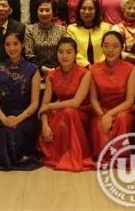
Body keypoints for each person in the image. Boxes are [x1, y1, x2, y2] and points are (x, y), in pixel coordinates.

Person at [0, 31, 42, 171]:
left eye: (15, 44)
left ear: (22, 45)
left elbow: (35, 103)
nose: (12, 48)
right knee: (0, 131)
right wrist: (4, 119)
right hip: (3, 115)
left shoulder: (33, 70)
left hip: (25, 116)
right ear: (4, 46)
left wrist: (18, 119)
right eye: (8, 44)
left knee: (16, 132)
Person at [38, 38, 94, 171]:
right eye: (61, 52)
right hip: (60, 111)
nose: (64, 56)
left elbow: (76, 102)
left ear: (75, 54)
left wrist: (50, 106)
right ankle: (60, 154)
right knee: (63, 114)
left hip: (81, 112)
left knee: (69, 112)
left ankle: (75, 154)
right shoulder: (52, 75)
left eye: (69, 52)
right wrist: (44, 125)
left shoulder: (85, 74)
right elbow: (44, 104)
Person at [89, 32, 135, 161]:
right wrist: (102, 115)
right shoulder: (94, 69)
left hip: (125, 110)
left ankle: (122, 157)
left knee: (122, 119)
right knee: (100, 127)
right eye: (106, 46)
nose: (110, 50)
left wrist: (110, 114)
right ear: (102, 47)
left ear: (122, 48)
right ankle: (105, 157)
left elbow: (130, 101)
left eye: (115, 46)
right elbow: (93, 99)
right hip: (101, 110)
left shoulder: (131, 69)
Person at [24, 0, 67, 76]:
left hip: (59, 71)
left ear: (53, 12)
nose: (44, 13)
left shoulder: (62, 30)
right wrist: (43, 69)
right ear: (36, 12)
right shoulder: (30, 30)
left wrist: (56, 70)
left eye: (47, 10)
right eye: (41, 10)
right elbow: (29, 55)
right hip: (36, 72)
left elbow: (65, 53)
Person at [66, 0, 111, 67]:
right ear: (79, 10)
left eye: (91, 9)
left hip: (104, 67)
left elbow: (109, 49)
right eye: (83, 8)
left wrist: (98, 66)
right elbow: (71, 51)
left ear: (96, 11)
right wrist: (87, 66)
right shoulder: (71, 29)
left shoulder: (106, 27)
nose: (87, 12)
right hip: (80, 69)